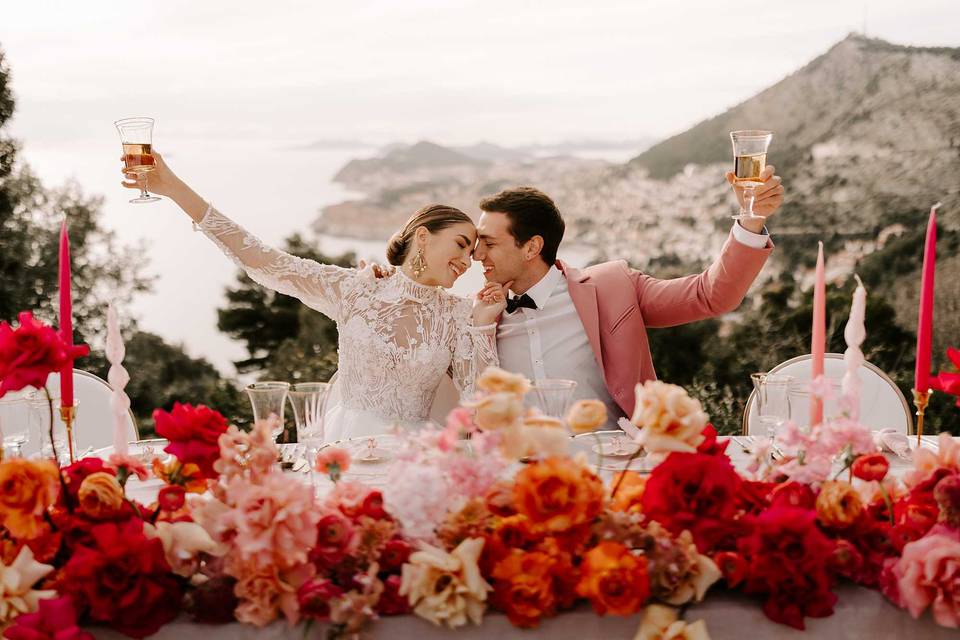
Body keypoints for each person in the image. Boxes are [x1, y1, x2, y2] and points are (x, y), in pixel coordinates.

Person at [121, 152, 509, 441]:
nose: (465, 261)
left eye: (471, 254)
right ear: (423, 235)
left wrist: (482, 324)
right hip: (342, 444)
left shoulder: (459, 315)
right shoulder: (357, 289)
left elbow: (483, 408)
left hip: (412, 456)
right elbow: (262, 260)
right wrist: (173, 189)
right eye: (460, 245)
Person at [472, 168, 783, 426]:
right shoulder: (481, 316)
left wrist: (750, 219)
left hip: (614, 465)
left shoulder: (613, 286)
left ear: (531, 247)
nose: (477, 254)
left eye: (488, 243)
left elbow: (712, 295)